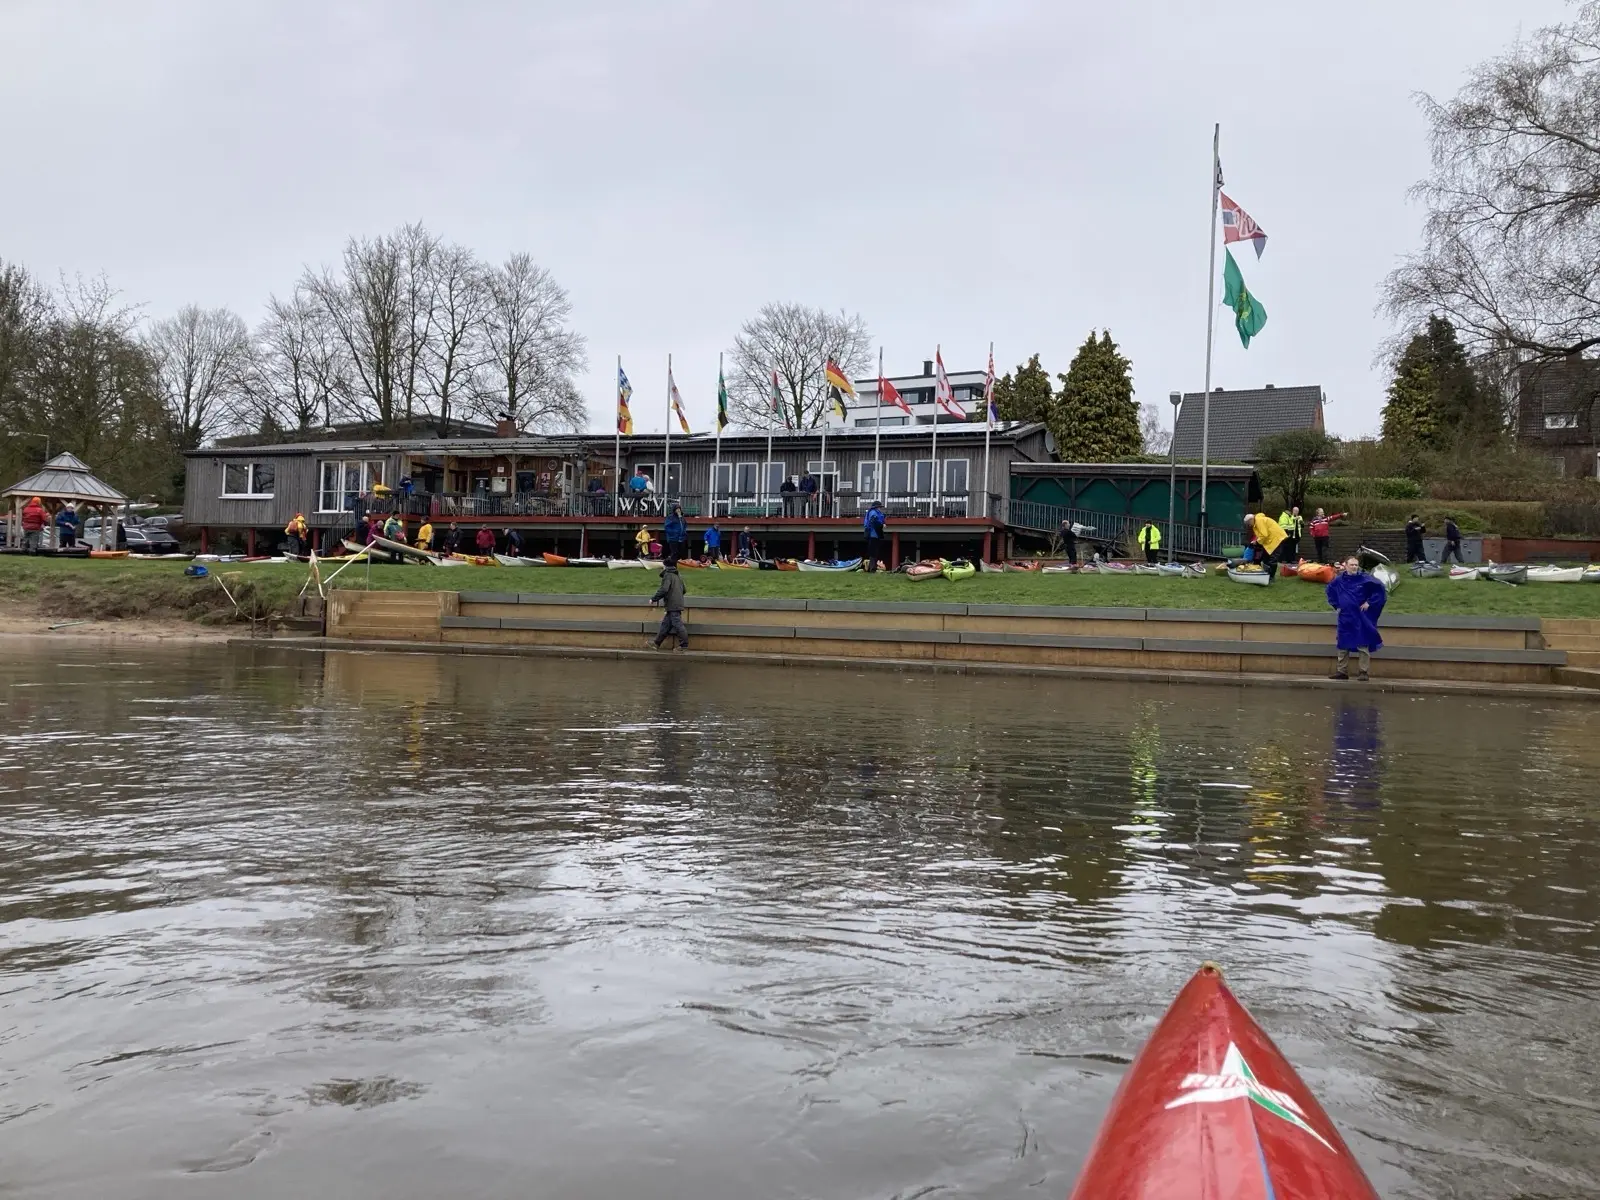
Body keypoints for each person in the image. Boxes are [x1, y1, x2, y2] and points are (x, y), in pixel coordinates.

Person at [1325, 554, 1387, 681]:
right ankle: (1341, 671)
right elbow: (1330, 591)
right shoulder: (1339, 580)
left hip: (1360, 617)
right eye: (1352, 565)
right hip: (1345, 617)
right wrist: (1336, 605)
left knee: (1362, 644)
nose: (1354, 567)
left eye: (1356, 565)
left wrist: (1369, 602)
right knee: (1343, 644)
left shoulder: (1365, 579)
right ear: (1345, 566)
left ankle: (1363, 672)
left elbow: (1380, 591)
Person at [649, 560, 689, 651]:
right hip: (676, 603)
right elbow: (684, 590)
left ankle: (684, 645)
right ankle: (656, 643)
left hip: (672, 604)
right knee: (666, 625)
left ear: (665, 566)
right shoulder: (678, 575)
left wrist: (654, 599)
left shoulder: (667, 575)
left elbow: (664, 589)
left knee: (677, 624)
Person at [1242, 511, 1289, 578]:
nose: (1249, 525)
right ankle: (1266, 575)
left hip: (1277, 539)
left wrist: (1256, 542)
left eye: (1248, 523)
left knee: (1272, 559)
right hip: (1272, 540)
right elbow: (1261, 535)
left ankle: (1271, 577)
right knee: (1266, 557)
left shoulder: (1259, 521)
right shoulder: (1257, 522)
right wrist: (1256, 541)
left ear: (1251, 519)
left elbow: (1264, 535)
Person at [863, 501, 887, 572]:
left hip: (875, 535)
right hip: (873, 535)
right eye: (879, 507)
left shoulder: (875, 512)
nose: (880, 509)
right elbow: (874, 522)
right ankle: (872, 568)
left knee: (874, 552)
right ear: (877, 507)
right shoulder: (873, 512)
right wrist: (882, 525)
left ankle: (873, 568)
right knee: (873, 552)